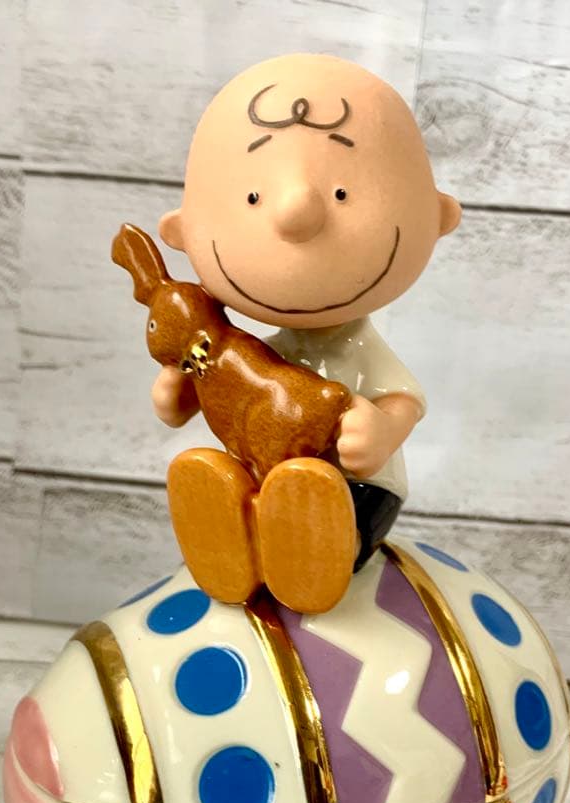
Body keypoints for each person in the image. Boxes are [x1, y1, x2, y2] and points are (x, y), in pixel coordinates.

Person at [153, 52, 461, 609]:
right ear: (181, 231)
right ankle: (232, 531)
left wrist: (383, 432)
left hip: (357, 490)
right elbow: (209, 393)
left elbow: (404, 401)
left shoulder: (361, 352)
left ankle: (316, 553)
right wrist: (184, 386)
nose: (295, 214)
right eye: (253, 197)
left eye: (343, 193)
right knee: (260, 494)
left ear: (437, 216)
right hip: (261, 475)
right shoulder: (251, 356)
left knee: (326, 509)